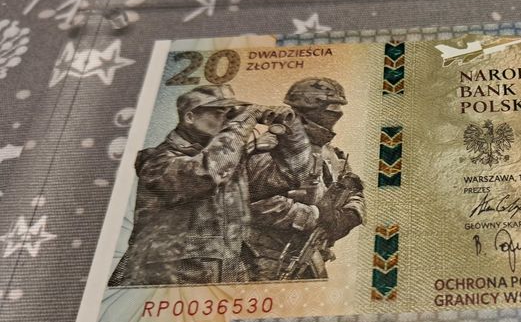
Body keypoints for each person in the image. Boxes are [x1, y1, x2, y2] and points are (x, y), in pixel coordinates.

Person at [108, 84, 310, 286]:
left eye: (233, 113)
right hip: (162, 282)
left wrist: (293, 132)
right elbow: (205, 174)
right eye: (221, 112)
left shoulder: (229, 163)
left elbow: (291, 175)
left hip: (220, 280)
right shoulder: (157, 162)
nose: (229, 119)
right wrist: (243, 123)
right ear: (190, 117)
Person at [245, 77, 365, 280]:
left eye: (338, 107)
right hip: (264, 259)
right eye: (330, 107)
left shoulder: (332, 154)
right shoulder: (271, 148)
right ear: (309, 109)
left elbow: (353, 189)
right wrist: (316, 215)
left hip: (310, 258)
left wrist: (350, 215)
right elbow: (253, 205)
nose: (337, 113)